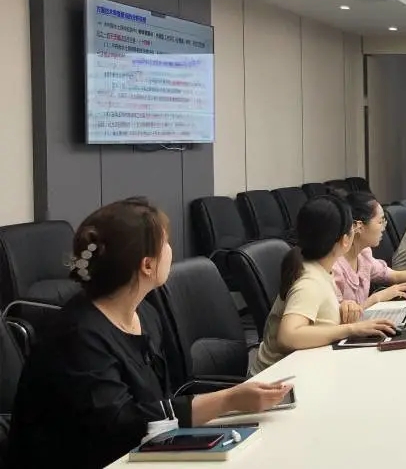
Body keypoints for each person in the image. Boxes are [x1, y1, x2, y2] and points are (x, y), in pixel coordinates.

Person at [7, 198, 293, 469]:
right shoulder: (78, 336)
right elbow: (121, 427)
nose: (171, 249)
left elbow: (157, 405)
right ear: (147, 265)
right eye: (166, 243)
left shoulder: (145, 314)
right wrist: (227, 401)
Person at [250, 196, 396, 375]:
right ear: (345, 240)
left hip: (306, 367)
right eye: (352, 227)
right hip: (279, 380)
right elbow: (288, 336)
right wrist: (351, 329)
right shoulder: (310, 282)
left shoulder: (320, 269)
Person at [334, 192, 406, 322]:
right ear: (359, 226)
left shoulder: (363, 254)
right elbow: (338, 321)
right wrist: (377, 298)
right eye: (380, 221)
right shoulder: (335, 267)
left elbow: (393, 275)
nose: (383, 228)